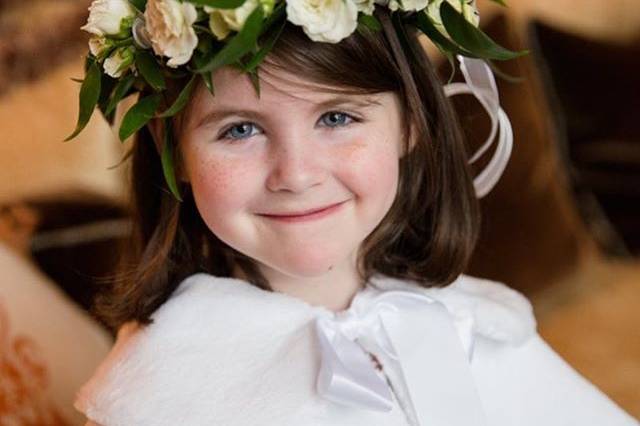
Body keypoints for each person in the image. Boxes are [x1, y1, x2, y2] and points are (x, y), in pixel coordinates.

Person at [67, 0, 639, 424]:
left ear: (411, 124)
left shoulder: (473, 323)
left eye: (336, 118)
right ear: (176, 155)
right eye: (240, 129)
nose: (296, 173)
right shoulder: (157, 390)